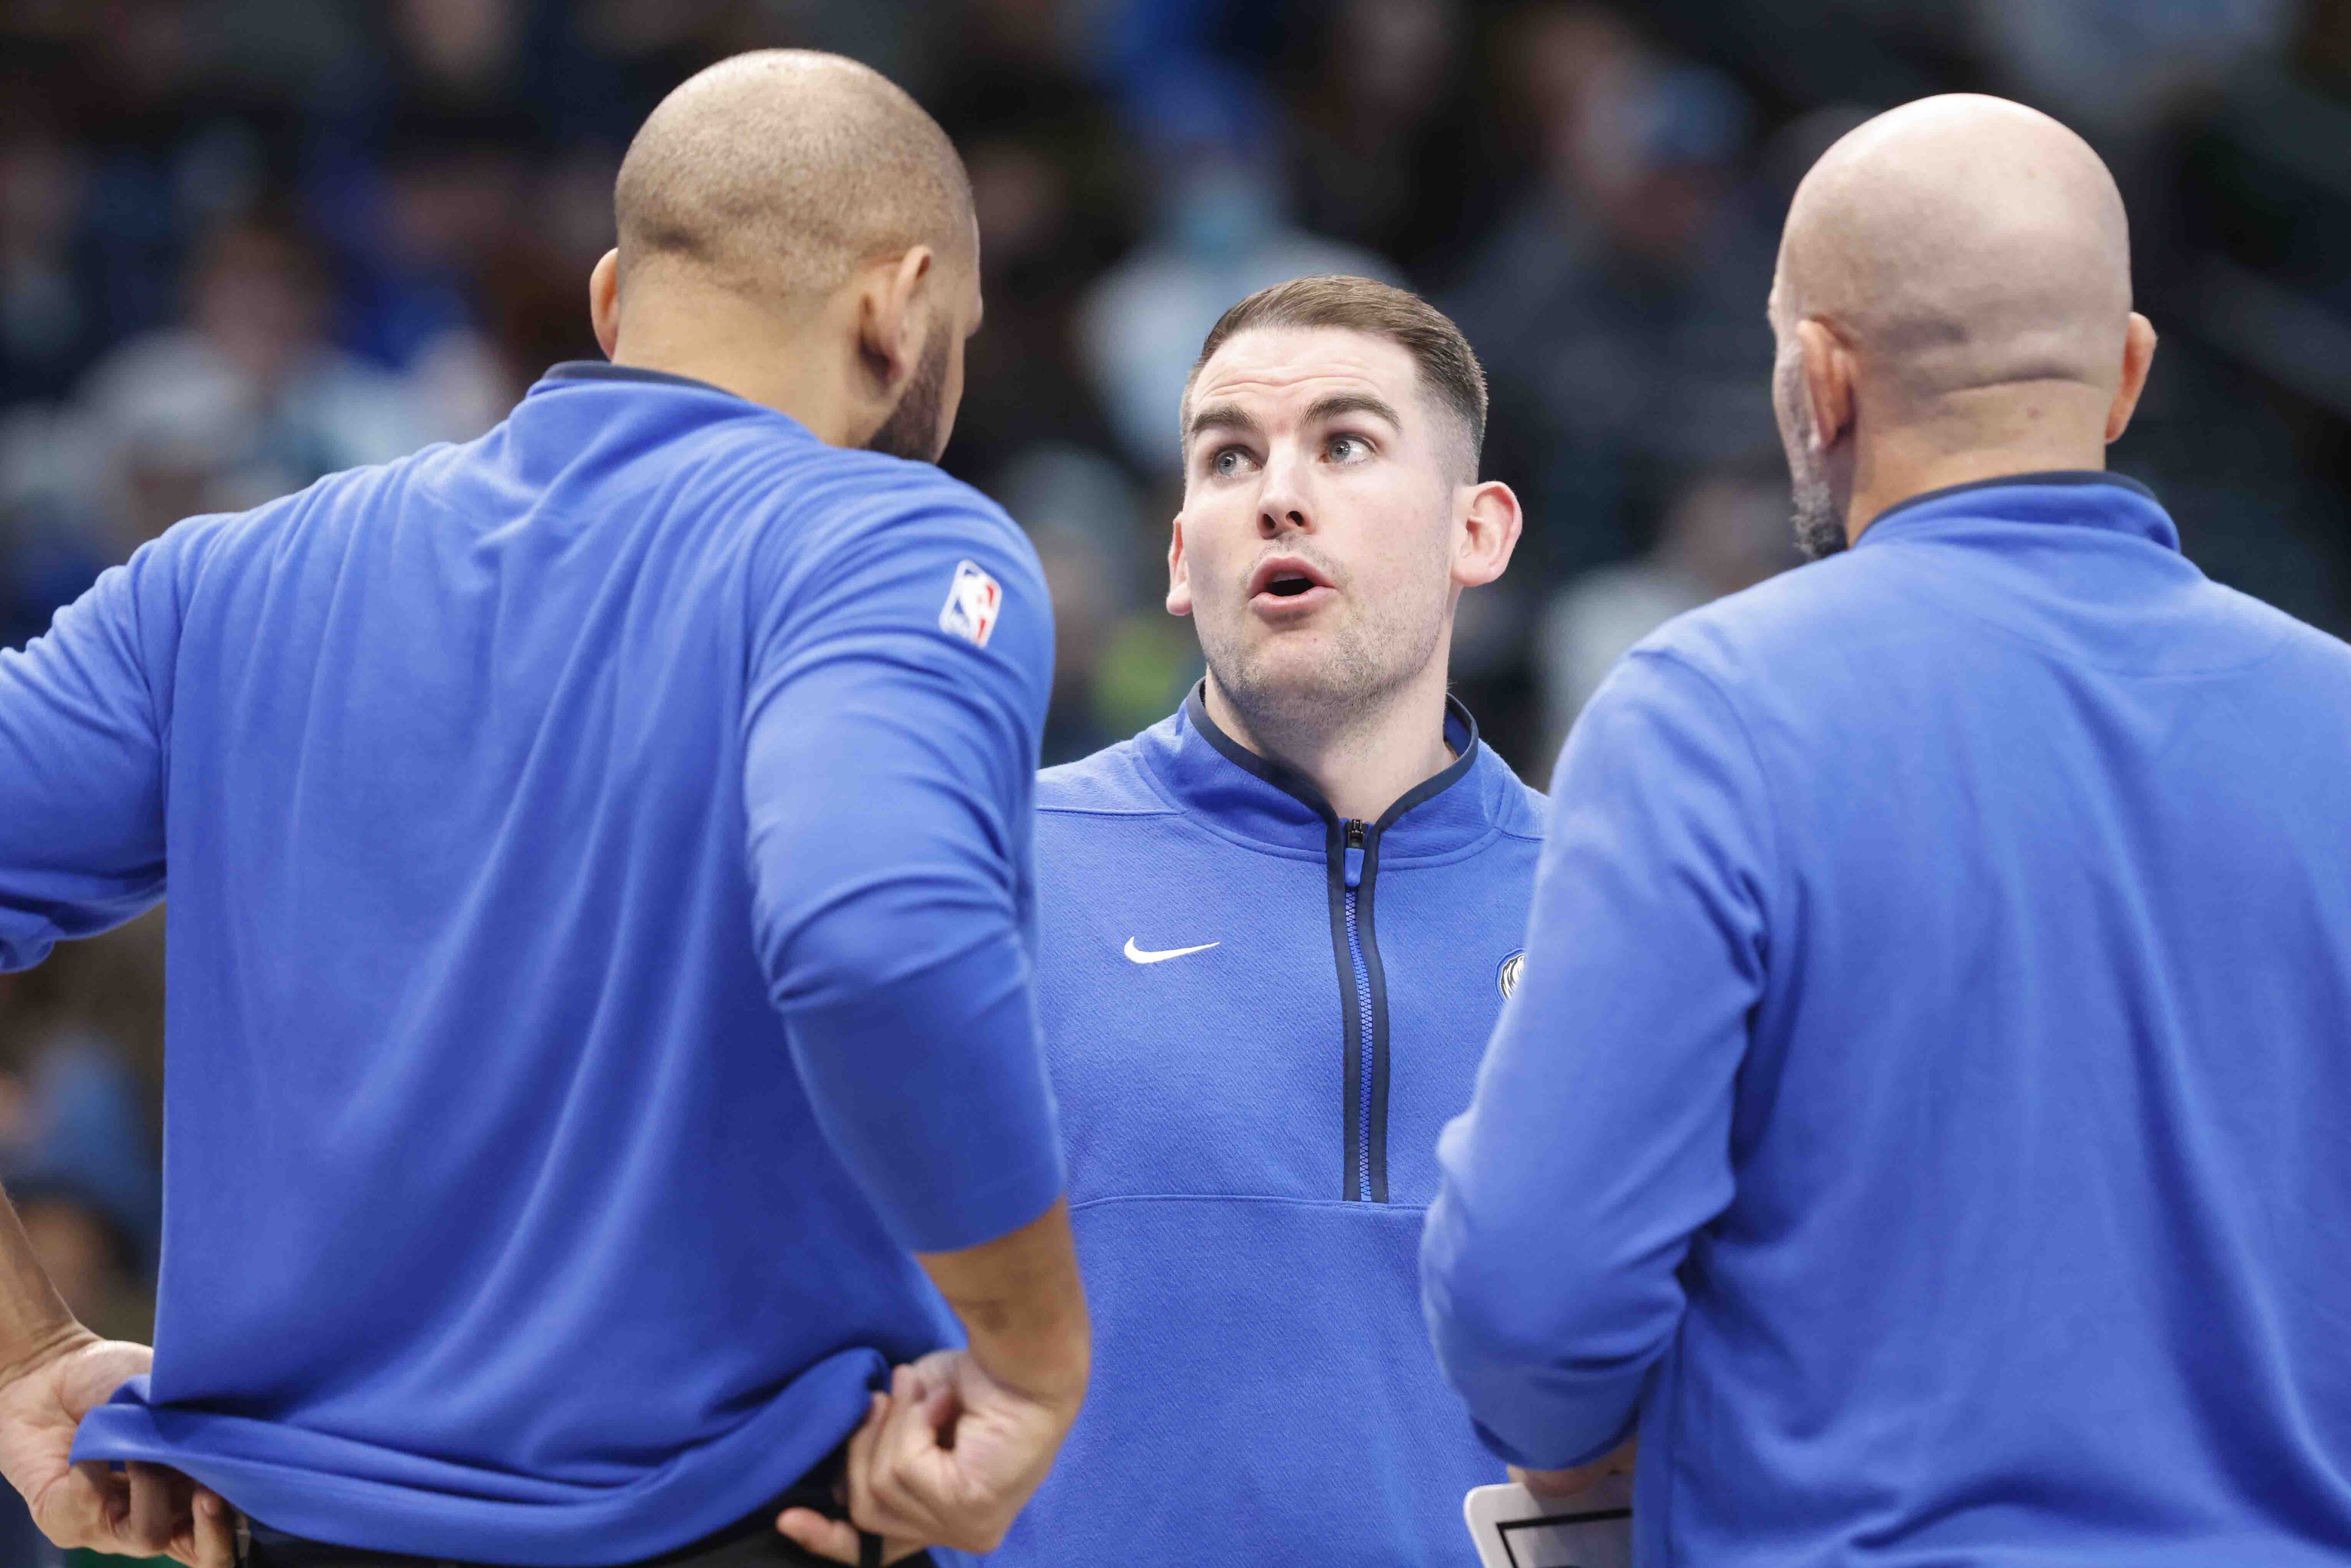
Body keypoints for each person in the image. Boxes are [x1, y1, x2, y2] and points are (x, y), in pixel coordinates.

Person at [0, 51, 1090, 1568]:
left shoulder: (221, 582)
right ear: (898, 309)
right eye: (955, 339)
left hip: (281, 1536)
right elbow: (880, 933)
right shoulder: (887, 546)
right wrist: (1030, 1357)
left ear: (612, 303)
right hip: (721, 1527)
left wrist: (25, 1351)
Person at [1422, 92, 2351, 1563]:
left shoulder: (1707, 714)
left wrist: (1576, 1428)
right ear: (2123, 375)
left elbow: (1532, 1298)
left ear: (1816, 381)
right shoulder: (2333, 717)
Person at [984, 275, 1546, 1565]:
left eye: (1344, 445)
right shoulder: (992, 869)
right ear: (1181, 557)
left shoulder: (1626, 905)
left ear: (1478, 531)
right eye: (1229, 458)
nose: (1277, 495)